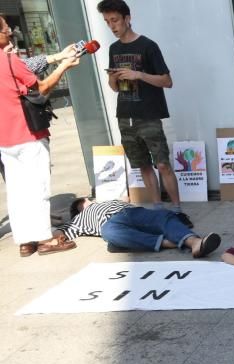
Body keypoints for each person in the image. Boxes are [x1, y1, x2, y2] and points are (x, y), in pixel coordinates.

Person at [0, 15, 80, 257]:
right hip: (28, 133)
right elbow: (41, 89)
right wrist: (63, 66)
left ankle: (25, 241)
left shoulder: (12, 61)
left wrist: (56, 57)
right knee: (38, 187)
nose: (11, 31)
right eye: (5, 28)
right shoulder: (10, 61)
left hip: (4, 138)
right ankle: (46, 238)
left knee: (17, 190)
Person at [99, 0, 182, 211]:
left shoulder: (148, 46)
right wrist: (113, 78)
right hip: (125, 115)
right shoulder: (114, 49)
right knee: (143, 166)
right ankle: (157, 208)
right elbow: (116, 89)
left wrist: (139, 74)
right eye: (107, 22)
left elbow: (167, 81)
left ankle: (177, 209)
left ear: (127, 18)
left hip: (149, 114)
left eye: (115, 20)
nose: (112, 26)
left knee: (162, 163)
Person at [59, 197, 221, 257]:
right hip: (113, 224)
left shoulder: (109, 201)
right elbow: (61, 232)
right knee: (109, 233)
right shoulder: (80, 219)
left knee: (163, 216)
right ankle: (166, 242)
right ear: (82, 208)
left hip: (132, 212)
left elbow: (126, 198)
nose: (90, 200)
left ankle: (194, 243)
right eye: (86, 201)